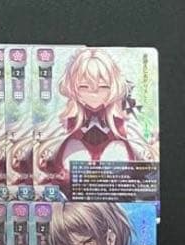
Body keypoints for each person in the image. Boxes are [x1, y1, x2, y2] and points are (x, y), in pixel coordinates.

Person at [35, 48, 158, 200]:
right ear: (72, 87)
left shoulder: (127, 128)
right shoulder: (60, 128)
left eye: (103, 87)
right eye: (84, 87)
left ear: (114, 87)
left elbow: (149, 178)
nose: (93, 94)